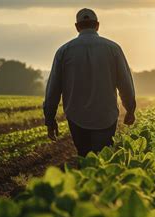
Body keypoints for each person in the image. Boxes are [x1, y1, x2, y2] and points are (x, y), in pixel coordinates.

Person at [43, 8, 136, 157]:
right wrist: (130, 109)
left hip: (76, 116)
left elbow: (53, 88)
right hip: (106, 115)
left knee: (85, 158)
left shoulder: (64, 51)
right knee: (103, 160)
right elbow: (125, 83)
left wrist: (49, 118)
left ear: (77, 27)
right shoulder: (113, 48)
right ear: (97, 25)